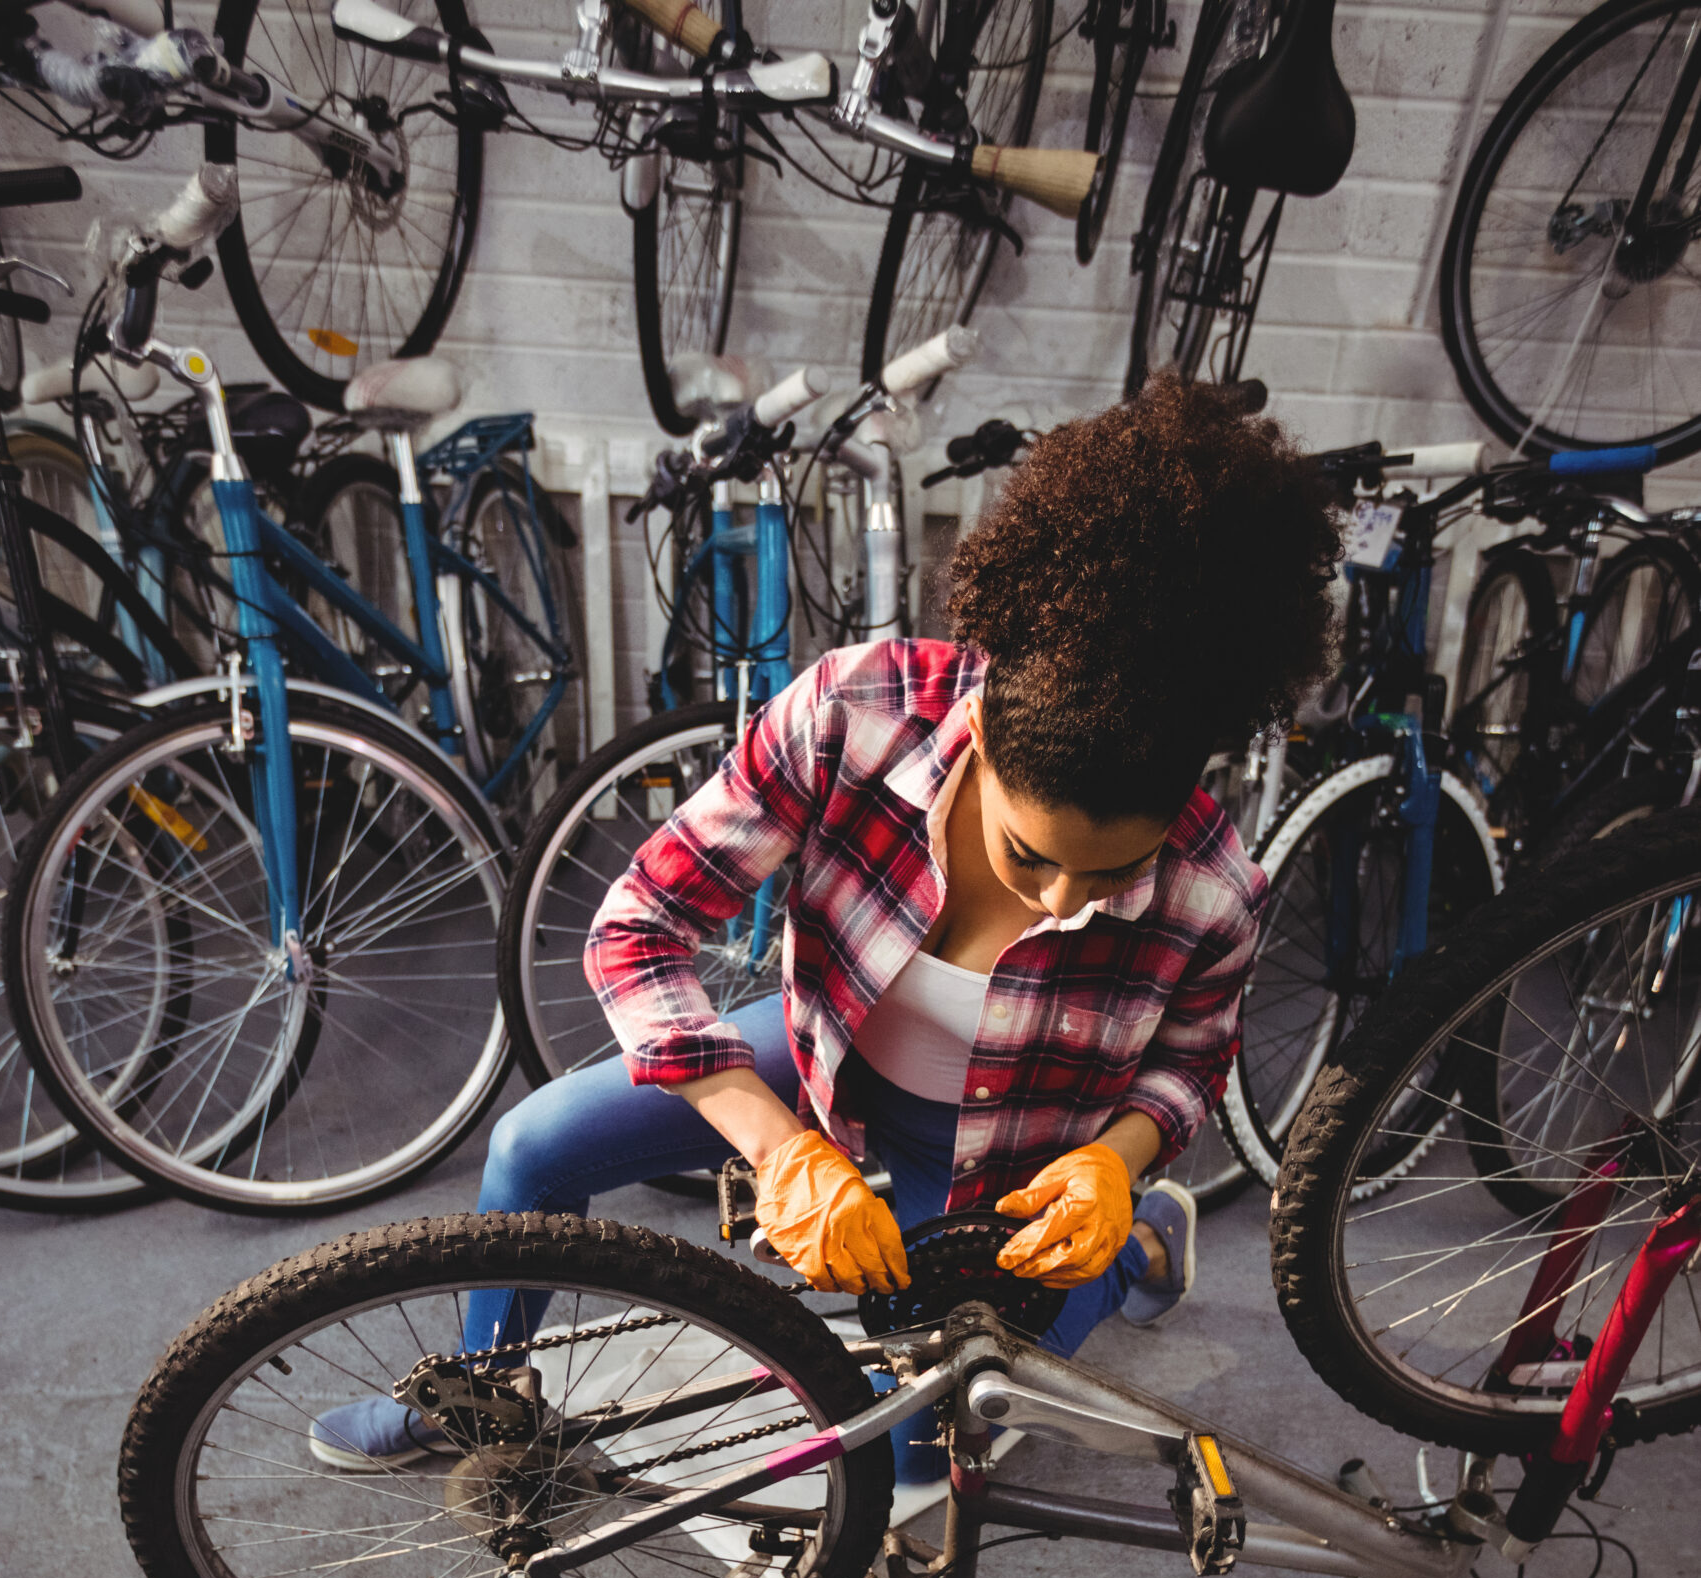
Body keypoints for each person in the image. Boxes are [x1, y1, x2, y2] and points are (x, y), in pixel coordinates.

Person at [312, 376, 1340, 1478]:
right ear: (980, 732)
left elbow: (1189, 1063)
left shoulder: (1217, 887)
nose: (1059, 905)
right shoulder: (852, 715)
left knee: (900, 1463)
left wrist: (1114, 1160)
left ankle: (1135, 1241)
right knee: (528, 1148)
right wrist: (778, 1145)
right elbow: (635, 924)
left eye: (1114, 871)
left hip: (1019, 1161)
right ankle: (482, 1401)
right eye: (1028, 856)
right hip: (826, 1064)